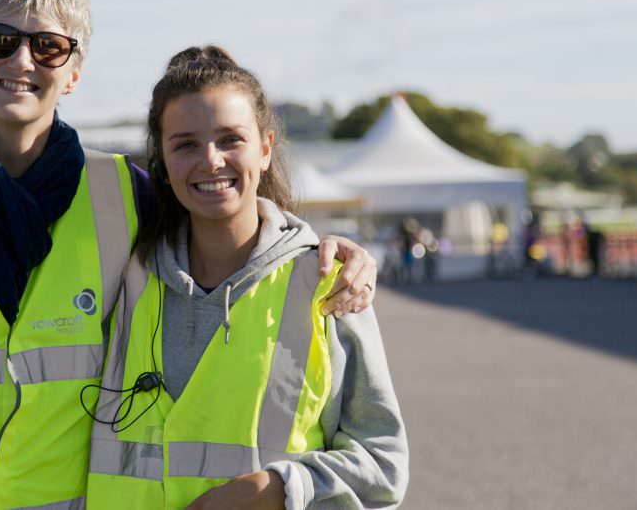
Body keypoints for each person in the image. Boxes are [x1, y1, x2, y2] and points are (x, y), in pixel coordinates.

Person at [0, 0, 380, 510]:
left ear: (74, 72)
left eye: (48, 46)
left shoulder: (126, 193)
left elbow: (229, 213)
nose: (22, 62)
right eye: (0, 40)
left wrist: (326, 248)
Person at [85, 47, 408, 509]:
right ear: (162, 158)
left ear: (265, 148)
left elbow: (384, 468)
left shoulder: (327, 285)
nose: (210, 161)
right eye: (185, 144)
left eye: (230, 139)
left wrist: (279, 489)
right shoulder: (122, 273)